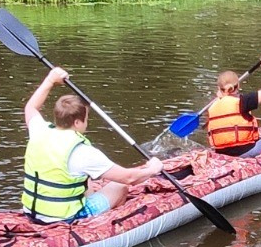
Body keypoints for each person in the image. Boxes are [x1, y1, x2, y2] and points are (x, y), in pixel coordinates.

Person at [21, 67, 163, 223]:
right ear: (77, 122)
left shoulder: (38, 130)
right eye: (86, 119)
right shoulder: (83, 152)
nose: (86, 123)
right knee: (118, 187)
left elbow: (30, 107)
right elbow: (128, 178)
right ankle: (109, 225)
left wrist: (50, 80)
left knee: (88, 182)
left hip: (31, 213)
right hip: (65, 218)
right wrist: (153, 168)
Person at [205, 53, 261, 157]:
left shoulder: (212, 107)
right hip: (246, 152)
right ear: (238, 85)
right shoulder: (243, 101)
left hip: (222, 154)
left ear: (219, 89)